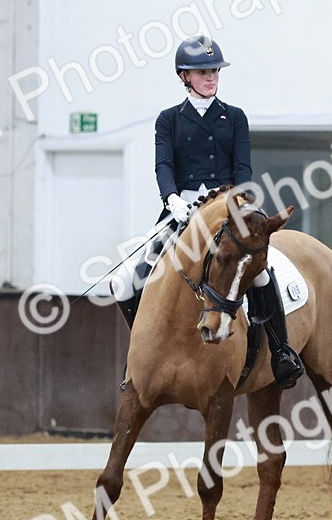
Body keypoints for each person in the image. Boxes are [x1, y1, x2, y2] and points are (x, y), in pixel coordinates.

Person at [110, 35, 304, 389]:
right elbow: (163, 166)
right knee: (125, 280)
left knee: (262, 274)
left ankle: (280, 352)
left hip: (227, 210)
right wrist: (172, 200)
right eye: (203, 72)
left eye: (215, 71)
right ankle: (141, 357)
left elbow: (242, 168)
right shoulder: (169, 120)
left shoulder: (235, 117)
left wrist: (241, 201)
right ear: (184, 76)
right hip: (182, 211)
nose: (211, 77)